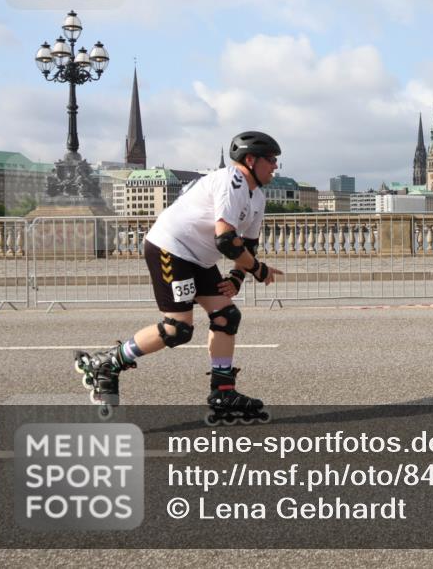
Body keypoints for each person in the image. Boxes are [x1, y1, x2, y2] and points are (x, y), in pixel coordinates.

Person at [74, 131, 284, 423]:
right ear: (250, 160)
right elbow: (226, 241)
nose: (275, 166)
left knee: (227, 315)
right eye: (271, 160)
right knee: (177, 329)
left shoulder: (257, 195)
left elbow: (246, 245)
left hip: (198, 257)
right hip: (170, 248)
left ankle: (222, 390)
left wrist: (237, 278)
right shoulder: (230, 182)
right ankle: (109, 362)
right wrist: (259, 270)